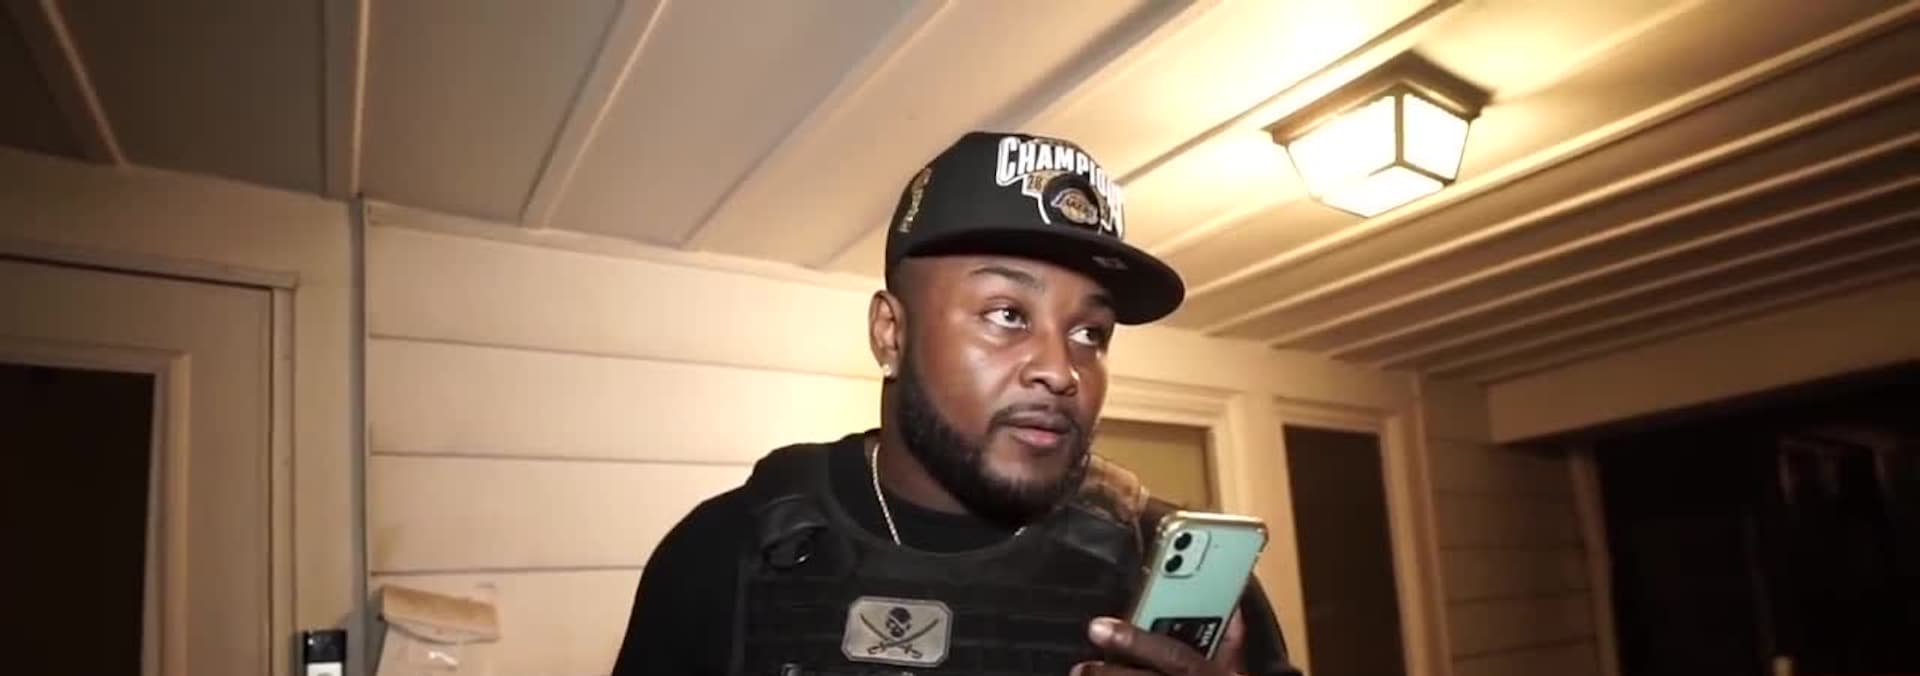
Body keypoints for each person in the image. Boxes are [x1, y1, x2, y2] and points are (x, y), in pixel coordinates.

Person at [611, 131, 1303, 676]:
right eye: (1006, 314)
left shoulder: (1177, 575)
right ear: (891, 333)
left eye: (1090, 332)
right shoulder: (724, 550)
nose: (1061, 370)